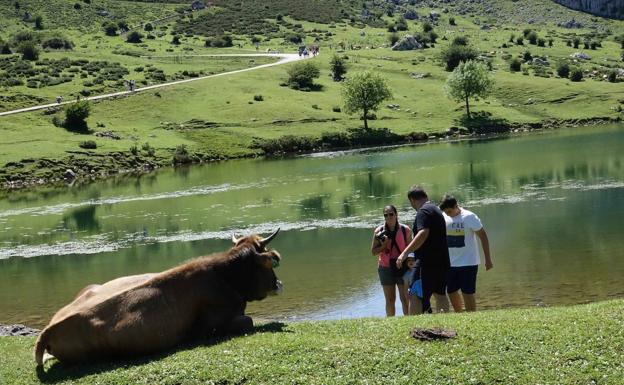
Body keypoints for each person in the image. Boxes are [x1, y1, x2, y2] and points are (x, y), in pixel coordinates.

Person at [397, 186, 450, 314]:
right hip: (442, 260)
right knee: (440, 294)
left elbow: (423, 233)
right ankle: (444, 324)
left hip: (426, 262)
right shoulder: (435, 209)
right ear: (425, 196)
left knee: (414, 293)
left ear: (412, 200)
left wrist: (404, 253)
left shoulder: (423, 212)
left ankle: (415, 326)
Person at [439, 195, 493, 312]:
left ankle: (471, 316)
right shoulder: (443, 217)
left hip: (468, 261)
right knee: (451, 291)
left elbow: (483, 236)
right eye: (445, 212)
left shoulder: (469, 217)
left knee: (467, 292)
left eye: (449, 211)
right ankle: (460, 314)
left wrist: (487, 259)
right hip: (450, 263)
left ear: (456, 206)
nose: (448, 214)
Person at [371, 205, 413, 317]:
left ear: (396, 215)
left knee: (405, 298)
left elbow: (411, 249)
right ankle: (391, 322)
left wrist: (410, 263)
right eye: (386, 215)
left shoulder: (405, 230)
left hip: (401, 266)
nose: (388, 217)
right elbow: (373, 251)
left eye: (391, 214)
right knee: (390, 299)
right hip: (385, 267)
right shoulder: (379, 231)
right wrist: (384, 245)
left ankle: (408, 321)